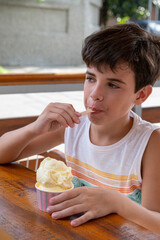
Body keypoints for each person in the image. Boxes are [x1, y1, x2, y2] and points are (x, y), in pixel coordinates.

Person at [0, 23, 160, 234]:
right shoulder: (74, 127)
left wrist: (117, 202)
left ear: (141, 95)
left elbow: (156, 223)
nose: (95, 94)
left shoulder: (150, 144)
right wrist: (35, 128)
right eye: (90, 78)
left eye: (112, 85)